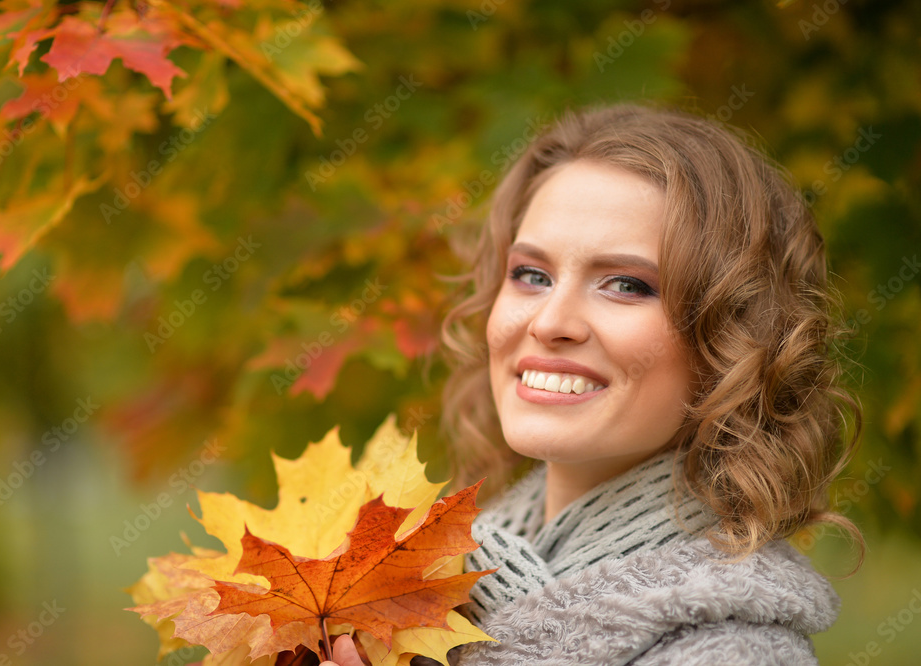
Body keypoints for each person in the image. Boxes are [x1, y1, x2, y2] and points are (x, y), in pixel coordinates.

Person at [326, 102, 863, 665]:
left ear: (734, 339)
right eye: (532, 275)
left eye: (627, 285)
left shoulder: (738, 653)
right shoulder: (401, 590)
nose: (550, 321)